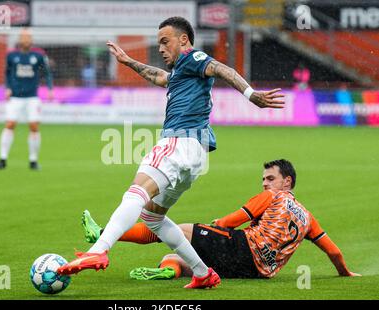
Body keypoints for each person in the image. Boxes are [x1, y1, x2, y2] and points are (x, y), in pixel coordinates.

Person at [57, 16, 284, 289]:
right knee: (153, 218)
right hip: (195, 155)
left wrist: (250, 94)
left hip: (179, 142)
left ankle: (99, 249)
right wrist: (128, 61)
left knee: (135, 193)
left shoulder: (193, 58)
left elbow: (220, 68)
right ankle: (202, 273)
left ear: (184, 40)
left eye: (165, 42)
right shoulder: (181, 72)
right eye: (159, 44)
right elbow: (159, 76)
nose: (161, 48)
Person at [81, 159, 360, 280]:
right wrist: (345, 273)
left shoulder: (274, 197)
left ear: (287, 181)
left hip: (242, 249)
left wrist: (213, 227)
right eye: (263, 179)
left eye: (270, 178)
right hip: (257, 273)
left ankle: (104, 234)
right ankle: (170, 271)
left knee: (174, 230)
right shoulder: (308, 218)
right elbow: (333, 251)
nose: (265, 184)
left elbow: (229, 223)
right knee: (185, 259)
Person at [0, 28, 53, 171]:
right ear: (20, 40)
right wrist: (7, 88)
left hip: (32, 97)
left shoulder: (38, 56)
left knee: (34, 126)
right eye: (24, 37)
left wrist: (50, 89)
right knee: (10, 124)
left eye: (28, 37)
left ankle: (33, 160)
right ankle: (2, 159)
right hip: (15, 97)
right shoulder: (11, 56)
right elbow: (7, 73)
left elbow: (47, 73)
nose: (26, 40)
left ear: (31, 40)